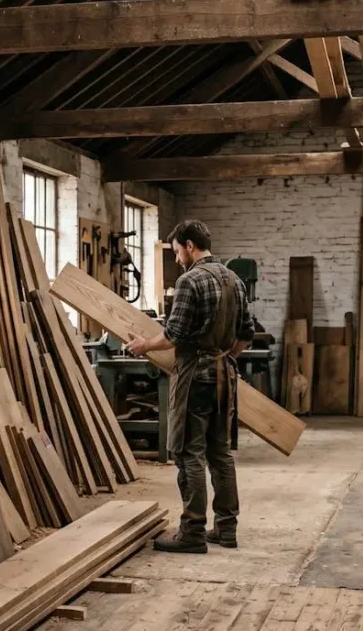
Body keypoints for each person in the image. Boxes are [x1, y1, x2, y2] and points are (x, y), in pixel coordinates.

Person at [125, 219, 252, 554]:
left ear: (189, 245)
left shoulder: (189, 281)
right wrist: (224, 356)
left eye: (177, 250)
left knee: (188, 454)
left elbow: (174, 335)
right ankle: (226, 529)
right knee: (220, 454)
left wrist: (144, 345)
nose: (177, 257)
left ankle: (193, 531)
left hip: (195, 376)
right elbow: (246, 335)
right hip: (226, 376)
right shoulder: (235, 280)